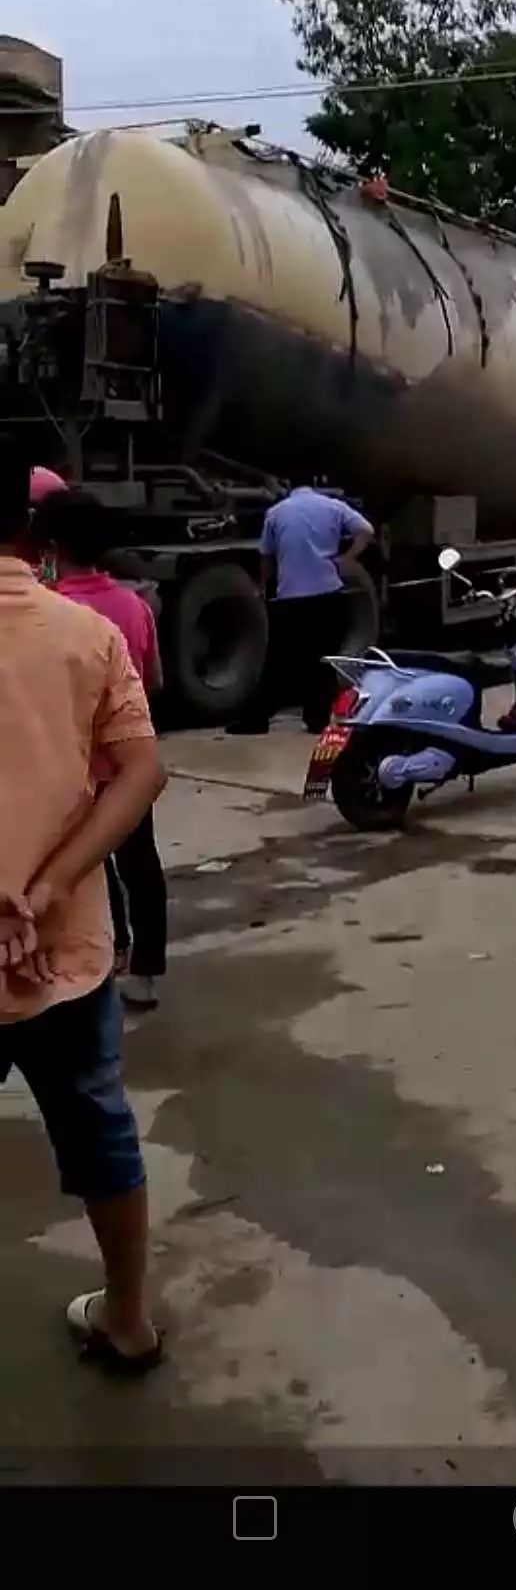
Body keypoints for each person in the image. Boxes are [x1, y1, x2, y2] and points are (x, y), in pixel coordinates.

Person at [0, 437, 167, 1371]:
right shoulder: (89, 633)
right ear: (33, 526)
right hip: (64, 946)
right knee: (97, 1121)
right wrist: (48, 886)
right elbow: (142, 770)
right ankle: (130, 1318)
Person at [34, 486, 168, 1013]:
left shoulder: (53, 613)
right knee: (140, 866)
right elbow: (153, 680)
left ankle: (107, 955)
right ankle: (147, 969)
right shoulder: (134, 607)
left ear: (49, 546)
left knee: (87, 867)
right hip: (128, 763)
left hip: (76, 773)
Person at [228, 473, 373, 735]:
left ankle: (257, 719)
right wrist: (347, 559)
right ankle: (317, 718)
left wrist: (263, 587)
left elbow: (266, 557)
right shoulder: (333, 506)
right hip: (328, 593)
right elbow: (366, 531)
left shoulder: (277, 512)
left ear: (289, 488)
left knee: (278, 660)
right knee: (324, 658)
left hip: (291, 596)